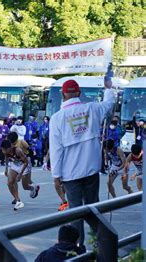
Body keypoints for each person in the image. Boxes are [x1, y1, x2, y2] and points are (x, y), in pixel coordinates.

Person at [49, 78, 116, 250]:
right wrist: (108, 88)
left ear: (63, 94)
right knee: (94, 208)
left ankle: (78, 248)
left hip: (70, 174)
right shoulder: (92, 108)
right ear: (78, 93)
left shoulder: (57, 118)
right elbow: (109, 103)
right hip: (91, 170)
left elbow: (56, 150)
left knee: (76, 212)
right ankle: (102, 245)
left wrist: (56, 176)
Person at [1, 140, 39, 211]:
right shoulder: (5, 151)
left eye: (4, 150)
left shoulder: (18, 150)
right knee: (9, 182)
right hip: (15, 164)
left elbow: (26, 162)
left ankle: (33, 188)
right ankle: (18, 200)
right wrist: (6, 169)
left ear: (9, 148)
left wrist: (20, 174)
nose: (3, 151)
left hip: (24, 165)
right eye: (2, 150)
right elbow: (6, 158)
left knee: (25, 186)